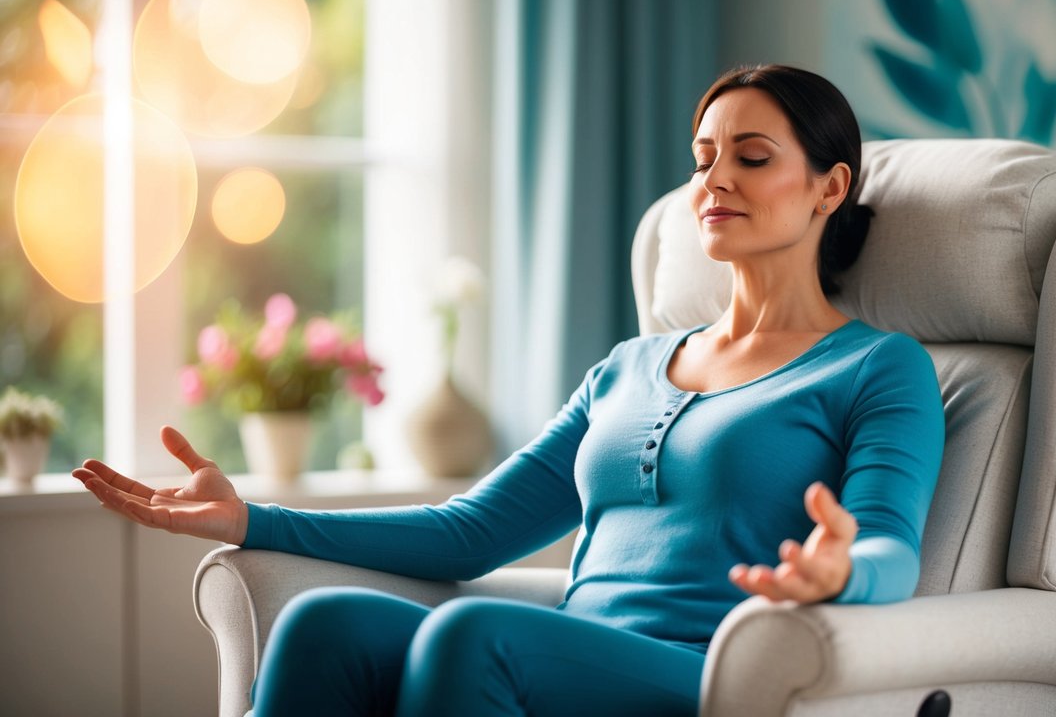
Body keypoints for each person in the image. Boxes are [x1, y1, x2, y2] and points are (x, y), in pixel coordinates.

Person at [74, 64, 945, 716]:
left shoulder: (875, 367)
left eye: (751, 158)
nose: (713, 180)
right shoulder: (627, 367)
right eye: (702, 158)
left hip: (713, 668)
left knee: (470, 635)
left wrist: (839, 572)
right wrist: (249, 520)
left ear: (828, 187)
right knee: (320, 622)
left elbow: (888, 552)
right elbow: (471, 531)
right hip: (573, 647)